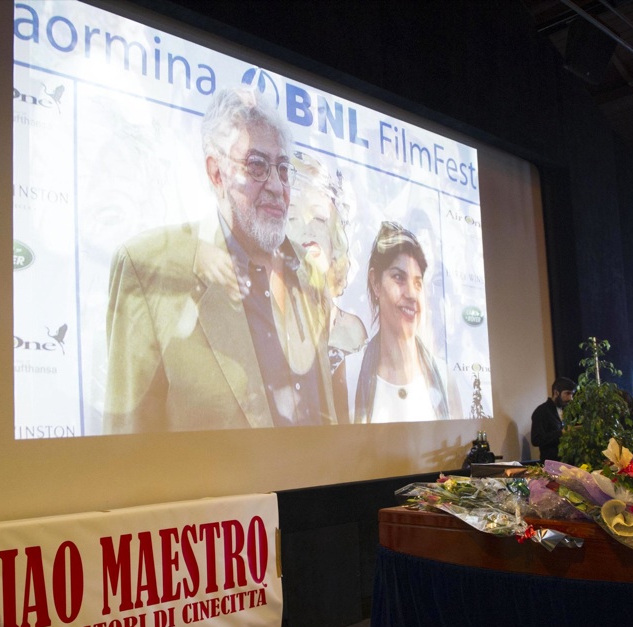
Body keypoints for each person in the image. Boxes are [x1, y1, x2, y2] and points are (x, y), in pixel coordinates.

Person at [103, 87, 337, 432]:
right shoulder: (147, 268)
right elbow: (128, 449)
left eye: (283, 169)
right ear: (217, 173)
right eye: (257, 166)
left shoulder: (310, 275)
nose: (276, 185)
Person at [286, 150, 366, 423]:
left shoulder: (355, 335)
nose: (307, 229)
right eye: (293, 218)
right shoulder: (268, 332)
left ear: (336, 236)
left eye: (319, 218)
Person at [352, 221, 461, 423]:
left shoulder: (445, 380)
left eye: (418, 283)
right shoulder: (349, 374)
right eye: (398, 277)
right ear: (375, 282)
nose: (411, 294)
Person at [530, 376, 576, 462]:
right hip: (552, 464)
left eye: (572, 394)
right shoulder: (541, 411)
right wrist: (561, 433)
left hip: (569, 463)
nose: (571, 398)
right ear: (556, 392)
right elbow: (536, 440)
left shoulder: (568, 410)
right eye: (567, 393)